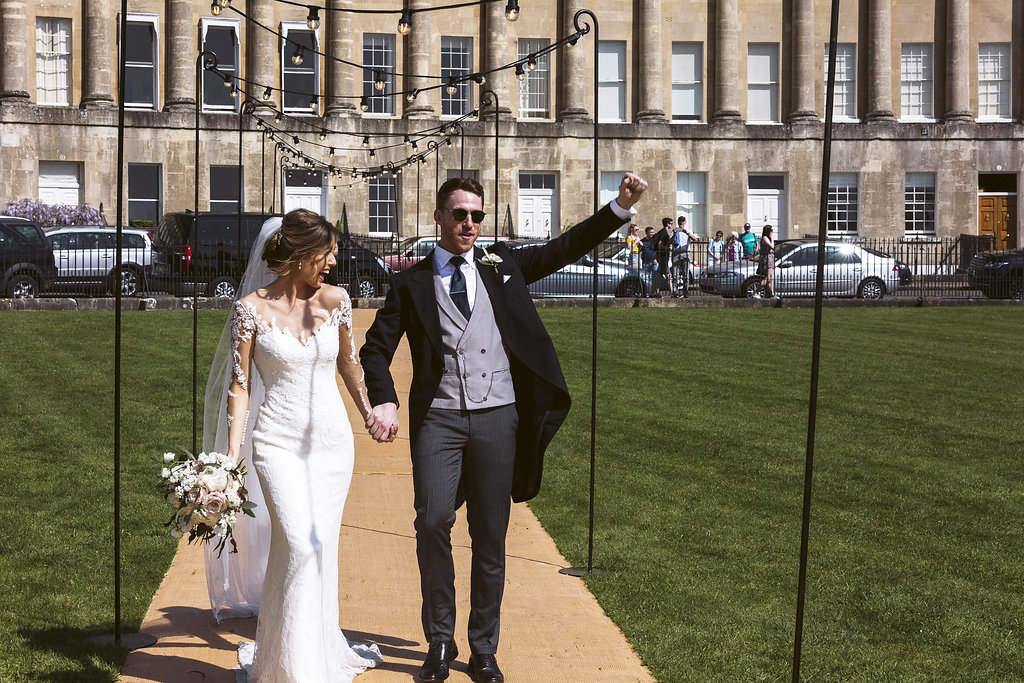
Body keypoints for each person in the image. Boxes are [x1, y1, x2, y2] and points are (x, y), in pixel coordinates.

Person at [359, 173, 647, 683]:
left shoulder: (502, 265)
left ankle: (483, 648)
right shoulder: (411, 282)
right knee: (432, 521)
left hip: (498, 417)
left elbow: (564, 248)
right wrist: (384, 400)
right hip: (439, 418)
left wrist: (619, 208)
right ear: (439, 217)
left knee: (490, 534)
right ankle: (440, 641)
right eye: (460, 214)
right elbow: (375, 348)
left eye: (477, 215)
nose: (469, 224)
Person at [210, 209, 383, 681]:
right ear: (302, 254)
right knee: (300, 545)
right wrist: (230, 457)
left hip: (332, 444)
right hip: (276, 444)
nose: (334, 262)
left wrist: (368, 412)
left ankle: (294, 656)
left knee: (312, 548)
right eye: (328, 253)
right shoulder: (249, 309)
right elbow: (240, 385)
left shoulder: (338, 300)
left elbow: (349, 364)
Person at [671, 215, 696, 298]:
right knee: (675, 275)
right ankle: (675, 292)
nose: (681, 223)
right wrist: (674, 234)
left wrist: (687, 233)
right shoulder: (675, 230)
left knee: (686, 275)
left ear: (685, 222)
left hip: (685, 253)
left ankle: (686, 291)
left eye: (682, 221)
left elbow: (695, 239)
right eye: (680, 221)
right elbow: (670, 241)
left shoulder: (688, 230)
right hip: (676, 253)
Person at [651, 217, 675, 297]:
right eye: (671, 223)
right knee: (668, 276)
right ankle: (672, 293)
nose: (671, 225)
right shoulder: (664, 233)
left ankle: (652, 293)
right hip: (663, 257)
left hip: (662, 257)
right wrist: (668, 248)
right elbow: (660, 245)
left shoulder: (662, 232)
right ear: (667, 224)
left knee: (660, 275)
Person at [754, 223, 778, 299]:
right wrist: (772, 238)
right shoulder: (765, 238)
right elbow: (772, 246)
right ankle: (756, 292)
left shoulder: (769, 238)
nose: (772, 232)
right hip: (767, 259)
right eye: (771, 230)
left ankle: (773, 295)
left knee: (770, 279)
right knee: (767, 278)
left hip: (771, 259)